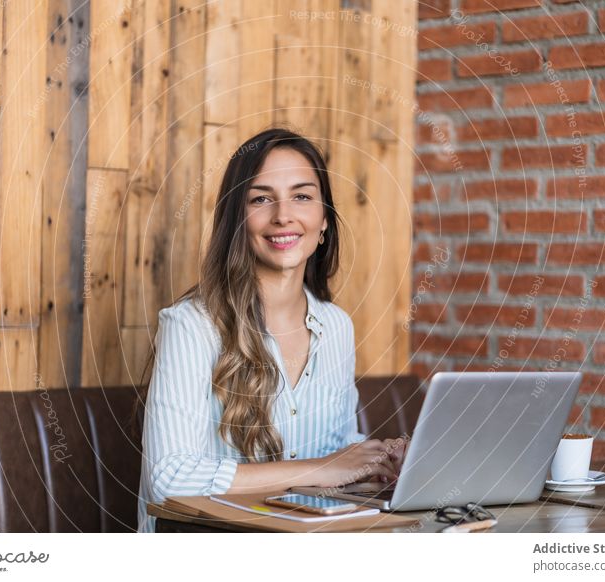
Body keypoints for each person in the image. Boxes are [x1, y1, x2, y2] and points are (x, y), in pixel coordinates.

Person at [137, 127, 409, 532]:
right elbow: (170, 478)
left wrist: (374, 459)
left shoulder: (335, 327)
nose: (283, 215)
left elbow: (327, 449)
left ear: (324, 222)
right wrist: (324, 468)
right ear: (237, 221)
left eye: (301, 196)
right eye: (261, 198)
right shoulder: (192, 325)